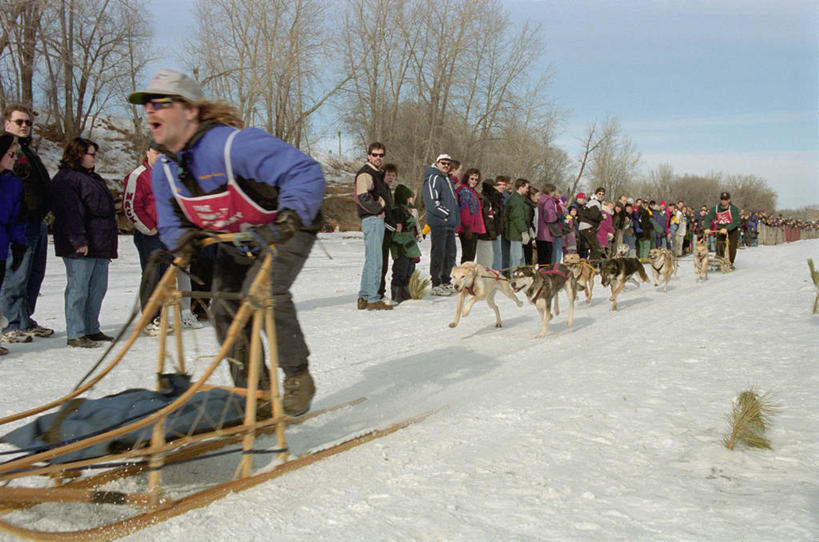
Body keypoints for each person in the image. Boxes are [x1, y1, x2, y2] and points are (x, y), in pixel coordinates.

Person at [129, 68, 325, 416]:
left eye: (160, 102)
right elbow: (171, 222)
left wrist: (290, 216)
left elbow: (304, 171)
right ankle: (254, 394)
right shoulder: (164, 170)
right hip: (237, 236)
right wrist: (182, 242)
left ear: (190, 110)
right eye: (146, 104)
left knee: (264, 290)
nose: (150, 111)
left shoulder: (233, 145)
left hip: (286, 225)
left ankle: (297, 375)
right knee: (223, 304)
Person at [122, 143, 203, 332]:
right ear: (148, 152)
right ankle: (150, 319)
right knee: (152, 275)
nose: (159, 157)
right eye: (156, 153)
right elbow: (131, 205)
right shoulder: (139, 175)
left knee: (168, 275)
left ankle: (165, 315)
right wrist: (147, 228)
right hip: (150, 234)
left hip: (168, 232)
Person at [51, 138, 118, 348]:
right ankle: (76, 332)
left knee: (97, 288)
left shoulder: (93, 177)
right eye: (91, 154)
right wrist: (78, 240)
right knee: (78, 288)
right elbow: (69, 213)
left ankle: (91, 328)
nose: (94, 158)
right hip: (81, 243)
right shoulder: (66, 179)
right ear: (79, 155)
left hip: (100, 242)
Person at [1, 105, 54, 343]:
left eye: (28, 123)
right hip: (19, 224)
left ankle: (25, 319)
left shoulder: (28, 152)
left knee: (34, 275)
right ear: (7, 124)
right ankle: (10, 323)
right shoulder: (7, 152)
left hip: (37, 221)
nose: (24, 126)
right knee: (16, 275)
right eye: (19, 122)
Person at [353, 142, 392, 310]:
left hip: (375, 219)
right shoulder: (366, 173)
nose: (378, 158)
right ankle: (373, 299)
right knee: (376, 260)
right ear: (369, 155)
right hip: (373, 219)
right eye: (375, 154)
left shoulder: (377, 173)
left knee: (371, 259)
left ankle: (364, 296)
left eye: (381, 155)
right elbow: (361, 196)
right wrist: (378, 210)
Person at [0, 135, 27, 355]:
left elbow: (17, 217)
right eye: (11, 155)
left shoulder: (13, 182)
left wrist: (19, 245)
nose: (14, 159)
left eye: (16, 155)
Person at [422, 154, 459, 295]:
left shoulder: (447, 179)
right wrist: (446, 214)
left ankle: (445, 280)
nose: (445, 166)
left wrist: (454, 218)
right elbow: (432, 201)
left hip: (449, 224)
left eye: (448, 164)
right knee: (439, 252)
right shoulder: (434, 177)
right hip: (439, 221)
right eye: (443, 163)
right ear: (437, 163)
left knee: (450, 253)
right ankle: (436, 282)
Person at [389, 184, 420, 303]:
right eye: (408, 197)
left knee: (410, 271)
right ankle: (396, 295)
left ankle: (407, 293)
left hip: (410, 244)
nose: (410, 200)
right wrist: (400, 244)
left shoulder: (408, 210)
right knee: (400, 271)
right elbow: (397, 230)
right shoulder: (397, 210)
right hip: (402, 245)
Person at [703, 191, 741, 268]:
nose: (723, 201)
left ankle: (730, 262)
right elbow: (708, 218)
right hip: (720, 229)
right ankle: (719, 260)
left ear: (729, 200)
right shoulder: (716, 208)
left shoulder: (733, 209)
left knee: (732, 246)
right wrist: (707, 228)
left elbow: (736, 221)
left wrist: (727, 228)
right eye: (722, 199)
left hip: (732, 230)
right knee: (719, 244)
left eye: (725, 199)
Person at [454, 168, 485, 263]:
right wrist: (467, 226)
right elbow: (464, 210)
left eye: (476, 180)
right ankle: (463, 274)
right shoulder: (464, 191)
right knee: (468, 255)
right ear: (467, 178)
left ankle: (467, 274)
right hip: (467, 228)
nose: (474, 181)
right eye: (472, 179)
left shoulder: (472, 191)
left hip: (474, 227)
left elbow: (476, 209)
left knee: (471, 255)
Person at [377, 163, 398, 302]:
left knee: (384, 263)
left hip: (388, 231)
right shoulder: (380, 189)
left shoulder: (388, 190)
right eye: (388, 175)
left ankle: (381, 292)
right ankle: (378, 293)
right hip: (381, 229)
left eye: (393, 176)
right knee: (380, 263)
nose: (391, 178)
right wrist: (392, 224)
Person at [504, 178, 530, 269]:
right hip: (515, 233)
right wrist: (523, 231)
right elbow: (518, 217)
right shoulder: (516, 200)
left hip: (518, 233)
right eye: (526, 187)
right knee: (516, 259)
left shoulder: (520, 199)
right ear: (521, 187)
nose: (528, 189)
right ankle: (513, 278)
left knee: (520, 258)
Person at [475, 178, 501, 268]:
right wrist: (492, 233)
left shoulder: (491, 198)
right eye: (493, 187)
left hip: (488, 233)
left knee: (490, 257)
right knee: (485, 259)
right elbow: (487, 218)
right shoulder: (484, 199)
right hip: (484, 234)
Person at [535, 182, 561, 266]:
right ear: (550, 191)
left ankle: (541, 274)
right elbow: (549, 217)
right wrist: (556, 216)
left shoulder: (540, 199)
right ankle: (545, 275)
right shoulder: (549, 201)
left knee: (541, 258)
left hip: (539, 232)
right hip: (547, 234)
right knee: (546, 259)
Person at [578, 187, 605, 261]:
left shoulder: (594, 202)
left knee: (590, 248)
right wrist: (602, 217)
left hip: (586, 228)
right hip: (587, 227)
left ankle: (588, 266)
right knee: (597, 248)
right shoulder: (594, 202)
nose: (601, 196)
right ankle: (592, 267)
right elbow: (594, 216)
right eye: (599, 194)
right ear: (596, 194)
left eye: (603, 194)